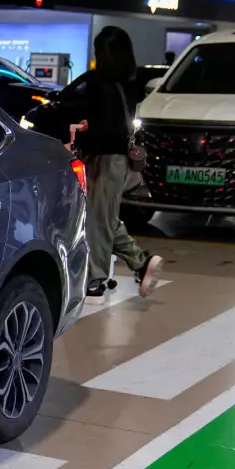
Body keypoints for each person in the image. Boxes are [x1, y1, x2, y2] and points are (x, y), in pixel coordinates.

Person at [73, 26, 162, 303]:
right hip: (119, 158)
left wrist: (84, 140)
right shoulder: (128, 83)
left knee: (99, 219)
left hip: (105, 158)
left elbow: (104, 130)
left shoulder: (102, 84)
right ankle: (140, 261)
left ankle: (97, 279)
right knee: (103, 216)